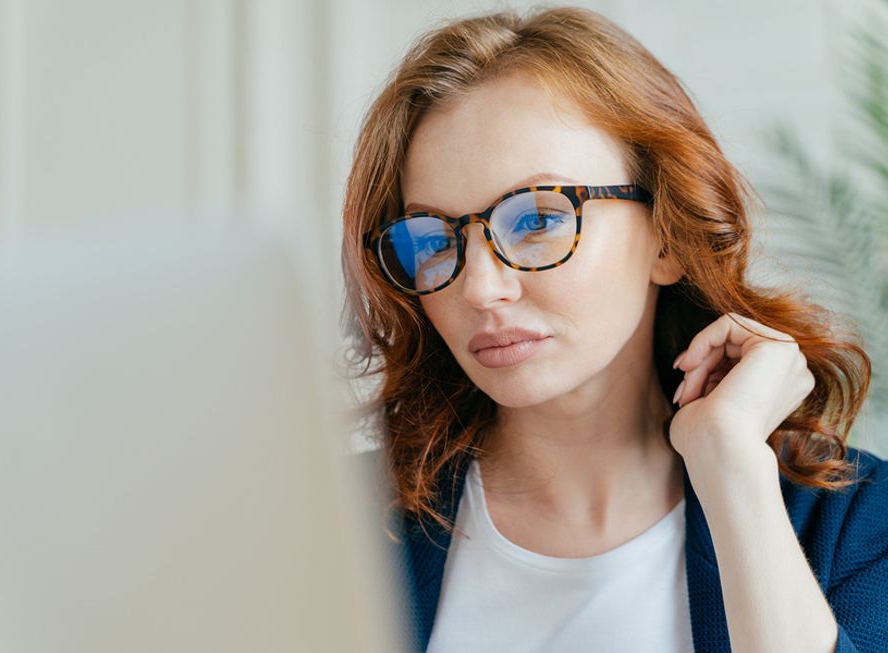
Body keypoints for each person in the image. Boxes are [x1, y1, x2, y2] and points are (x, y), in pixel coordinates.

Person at [339, 7, 888, 653]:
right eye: (431, 238)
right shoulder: (339, 520)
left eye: (539, 220)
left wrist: (732, 465)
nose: (480, 289)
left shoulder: (853, 520)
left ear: (667, 236)